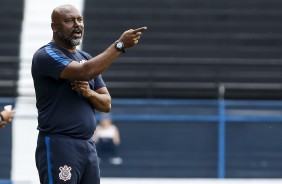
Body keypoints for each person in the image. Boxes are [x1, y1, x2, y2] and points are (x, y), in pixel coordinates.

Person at [31, 4, 147, 184]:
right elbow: (84, 72)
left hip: (87, 146)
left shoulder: (85, 57)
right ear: (54, 27)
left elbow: (106, 104)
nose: (77, 24)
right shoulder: (46, 55)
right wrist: (120, 44)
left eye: (80, 19)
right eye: (69, 20)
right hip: (59, 144)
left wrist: (88, 93)